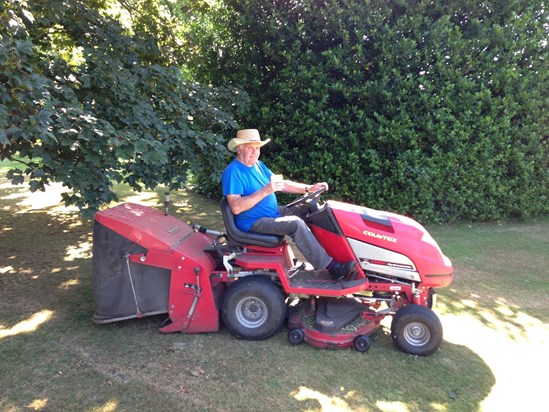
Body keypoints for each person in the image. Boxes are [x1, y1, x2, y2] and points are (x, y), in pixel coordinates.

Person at [221, 129, 356, 279]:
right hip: (253, 223)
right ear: (239, 149)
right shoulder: (233, 172)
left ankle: (338, 255)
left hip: (273, 213)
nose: (254, 152)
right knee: (295, 224)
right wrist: (266, 191)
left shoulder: (259, 165)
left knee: (311, 211)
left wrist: (308, 188)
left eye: (257, 148)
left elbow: (282, 184)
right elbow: (236, 207)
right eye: (249, 148)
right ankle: (330, 267)